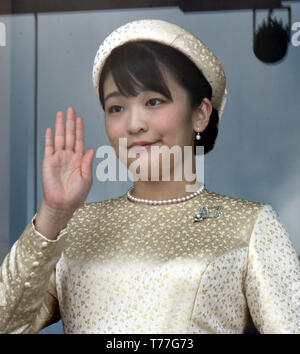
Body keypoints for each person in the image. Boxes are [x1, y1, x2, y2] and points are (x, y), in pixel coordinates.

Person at [0, 19, 300, 334]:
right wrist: (53, 213)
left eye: (153, 102)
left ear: (200, 114)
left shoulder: (250, 225)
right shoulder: (72, 227)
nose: (134, 124)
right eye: (116, 107)